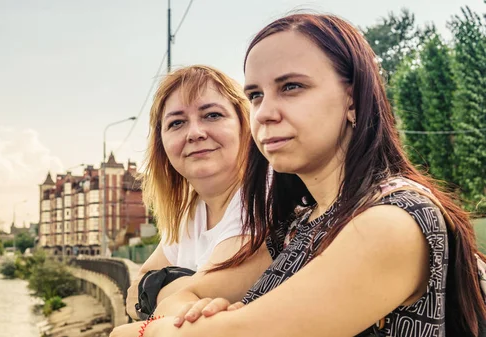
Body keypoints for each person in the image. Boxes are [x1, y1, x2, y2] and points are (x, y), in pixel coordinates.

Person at [111, 13, 486, 337]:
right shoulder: (296, 226)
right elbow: (181, 298)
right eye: (256, 95)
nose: (264, 112)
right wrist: (193, 320)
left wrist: (148, 329)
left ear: (352, 99)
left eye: (291, 87)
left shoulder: (393, 220)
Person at [125, 65, 272, 320]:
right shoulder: (191, 214)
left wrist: (158, 290)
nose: (194, 133)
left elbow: (212, 293)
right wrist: (177, 290)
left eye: (212, 115)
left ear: (244, 125)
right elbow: (132, 296)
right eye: (177, 123)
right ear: (162, 144)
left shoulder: (264, 195)